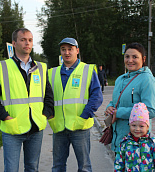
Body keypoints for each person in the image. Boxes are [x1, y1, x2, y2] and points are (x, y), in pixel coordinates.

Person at [0, 28, 54, 172]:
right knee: (11, 169)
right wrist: (5, 117)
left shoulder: (41, 68)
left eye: (29, 40)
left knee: (32, 168)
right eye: (23, 40)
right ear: (14, 43)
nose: (27, 43)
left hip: (36, 127)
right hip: (12, 128)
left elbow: (48, 95)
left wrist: (44, 115)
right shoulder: (2, 67)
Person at [48, 37, 103, 172]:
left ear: (77, 51)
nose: (67, 52)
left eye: (70, 49)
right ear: (60, 52)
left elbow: (96, 96)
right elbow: (47, 98)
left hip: (80, 127)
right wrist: (50, 117)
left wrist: (84, 116)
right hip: (59, 127)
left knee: (84, 166)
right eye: (63, 49)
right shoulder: (52, 73)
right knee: (57, 166)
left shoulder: (87, 70)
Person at [104, 42, 155, 152]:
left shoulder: (147, 79)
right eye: (127, 57)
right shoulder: (120, 79)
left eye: (135, 57)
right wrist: (110, 107)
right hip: (118, 139)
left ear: (143, 59)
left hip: (136, 142)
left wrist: (118, 113)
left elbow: (151, 110)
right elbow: (116, 102)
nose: (130, 60)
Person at [114, 102, 155, 171]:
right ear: (129, 125)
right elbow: (119, 164)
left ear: (147, 127)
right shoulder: (124, 143)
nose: (137, 129)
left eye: (141, 126)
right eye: (133, 125)